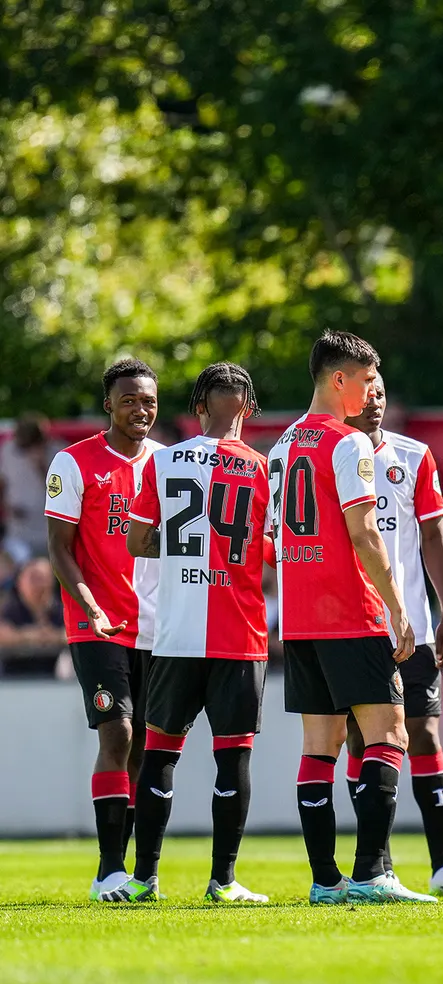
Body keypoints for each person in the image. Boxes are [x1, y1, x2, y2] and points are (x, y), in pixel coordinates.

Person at [267, 330, 430, 905]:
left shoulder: (281, 446)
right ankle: (371, 874)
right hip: (350, 613)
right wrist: (397, 606)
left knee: (319, 746)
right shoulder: (350, 443)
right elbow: (364, 533)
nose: (370, 392)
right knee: (389, 734)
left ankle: (324, 881)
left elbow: (274, 538)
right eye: (364, 380)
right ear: (340, 380)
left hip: (300, 619)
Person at [107, 363, 272, 904]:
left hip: (175, 636)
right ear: (246, 410)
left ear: (198, 407)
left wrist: (186, 551)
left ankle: (143, 878)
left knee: (158, 754)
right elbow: (266, 553)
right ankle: (222, 881)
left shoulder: (164, 459)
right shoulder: (259, 468)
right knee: (233, 758)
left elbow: (135, 541)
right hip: (240, 636)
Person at [342, 373, 443, 898]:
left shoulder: (415, 455)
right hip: (355, 623)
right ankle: (379, 862)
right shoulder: (334, 454)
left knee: (424, 733)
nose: (375, 403)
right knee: (361, 739)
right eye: (366, 395)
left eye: (381, 394)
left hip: (412, 624)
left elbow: (435, 535)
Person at [44, 359, 163, 901]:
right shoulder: (73, 464)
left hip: (157, 625)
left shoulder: (169, 464)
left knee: (142, 748)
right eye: (130, 399)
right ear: (109, 404)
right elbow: (59, 550)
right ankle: (108, 870)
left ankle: (133, 873)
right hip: (98, 626)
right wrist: (90, 605)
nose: (141, 409)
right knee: (117, 734)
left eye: (148, 400)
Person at [1, 414, 53, 563]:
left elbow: (60, 489)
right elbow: (3, 483)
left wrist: (41, 466)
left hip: (47, 532)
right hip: (18, 531)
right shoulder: (9, 450)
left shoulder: (59, 451)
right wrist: (6, 507)